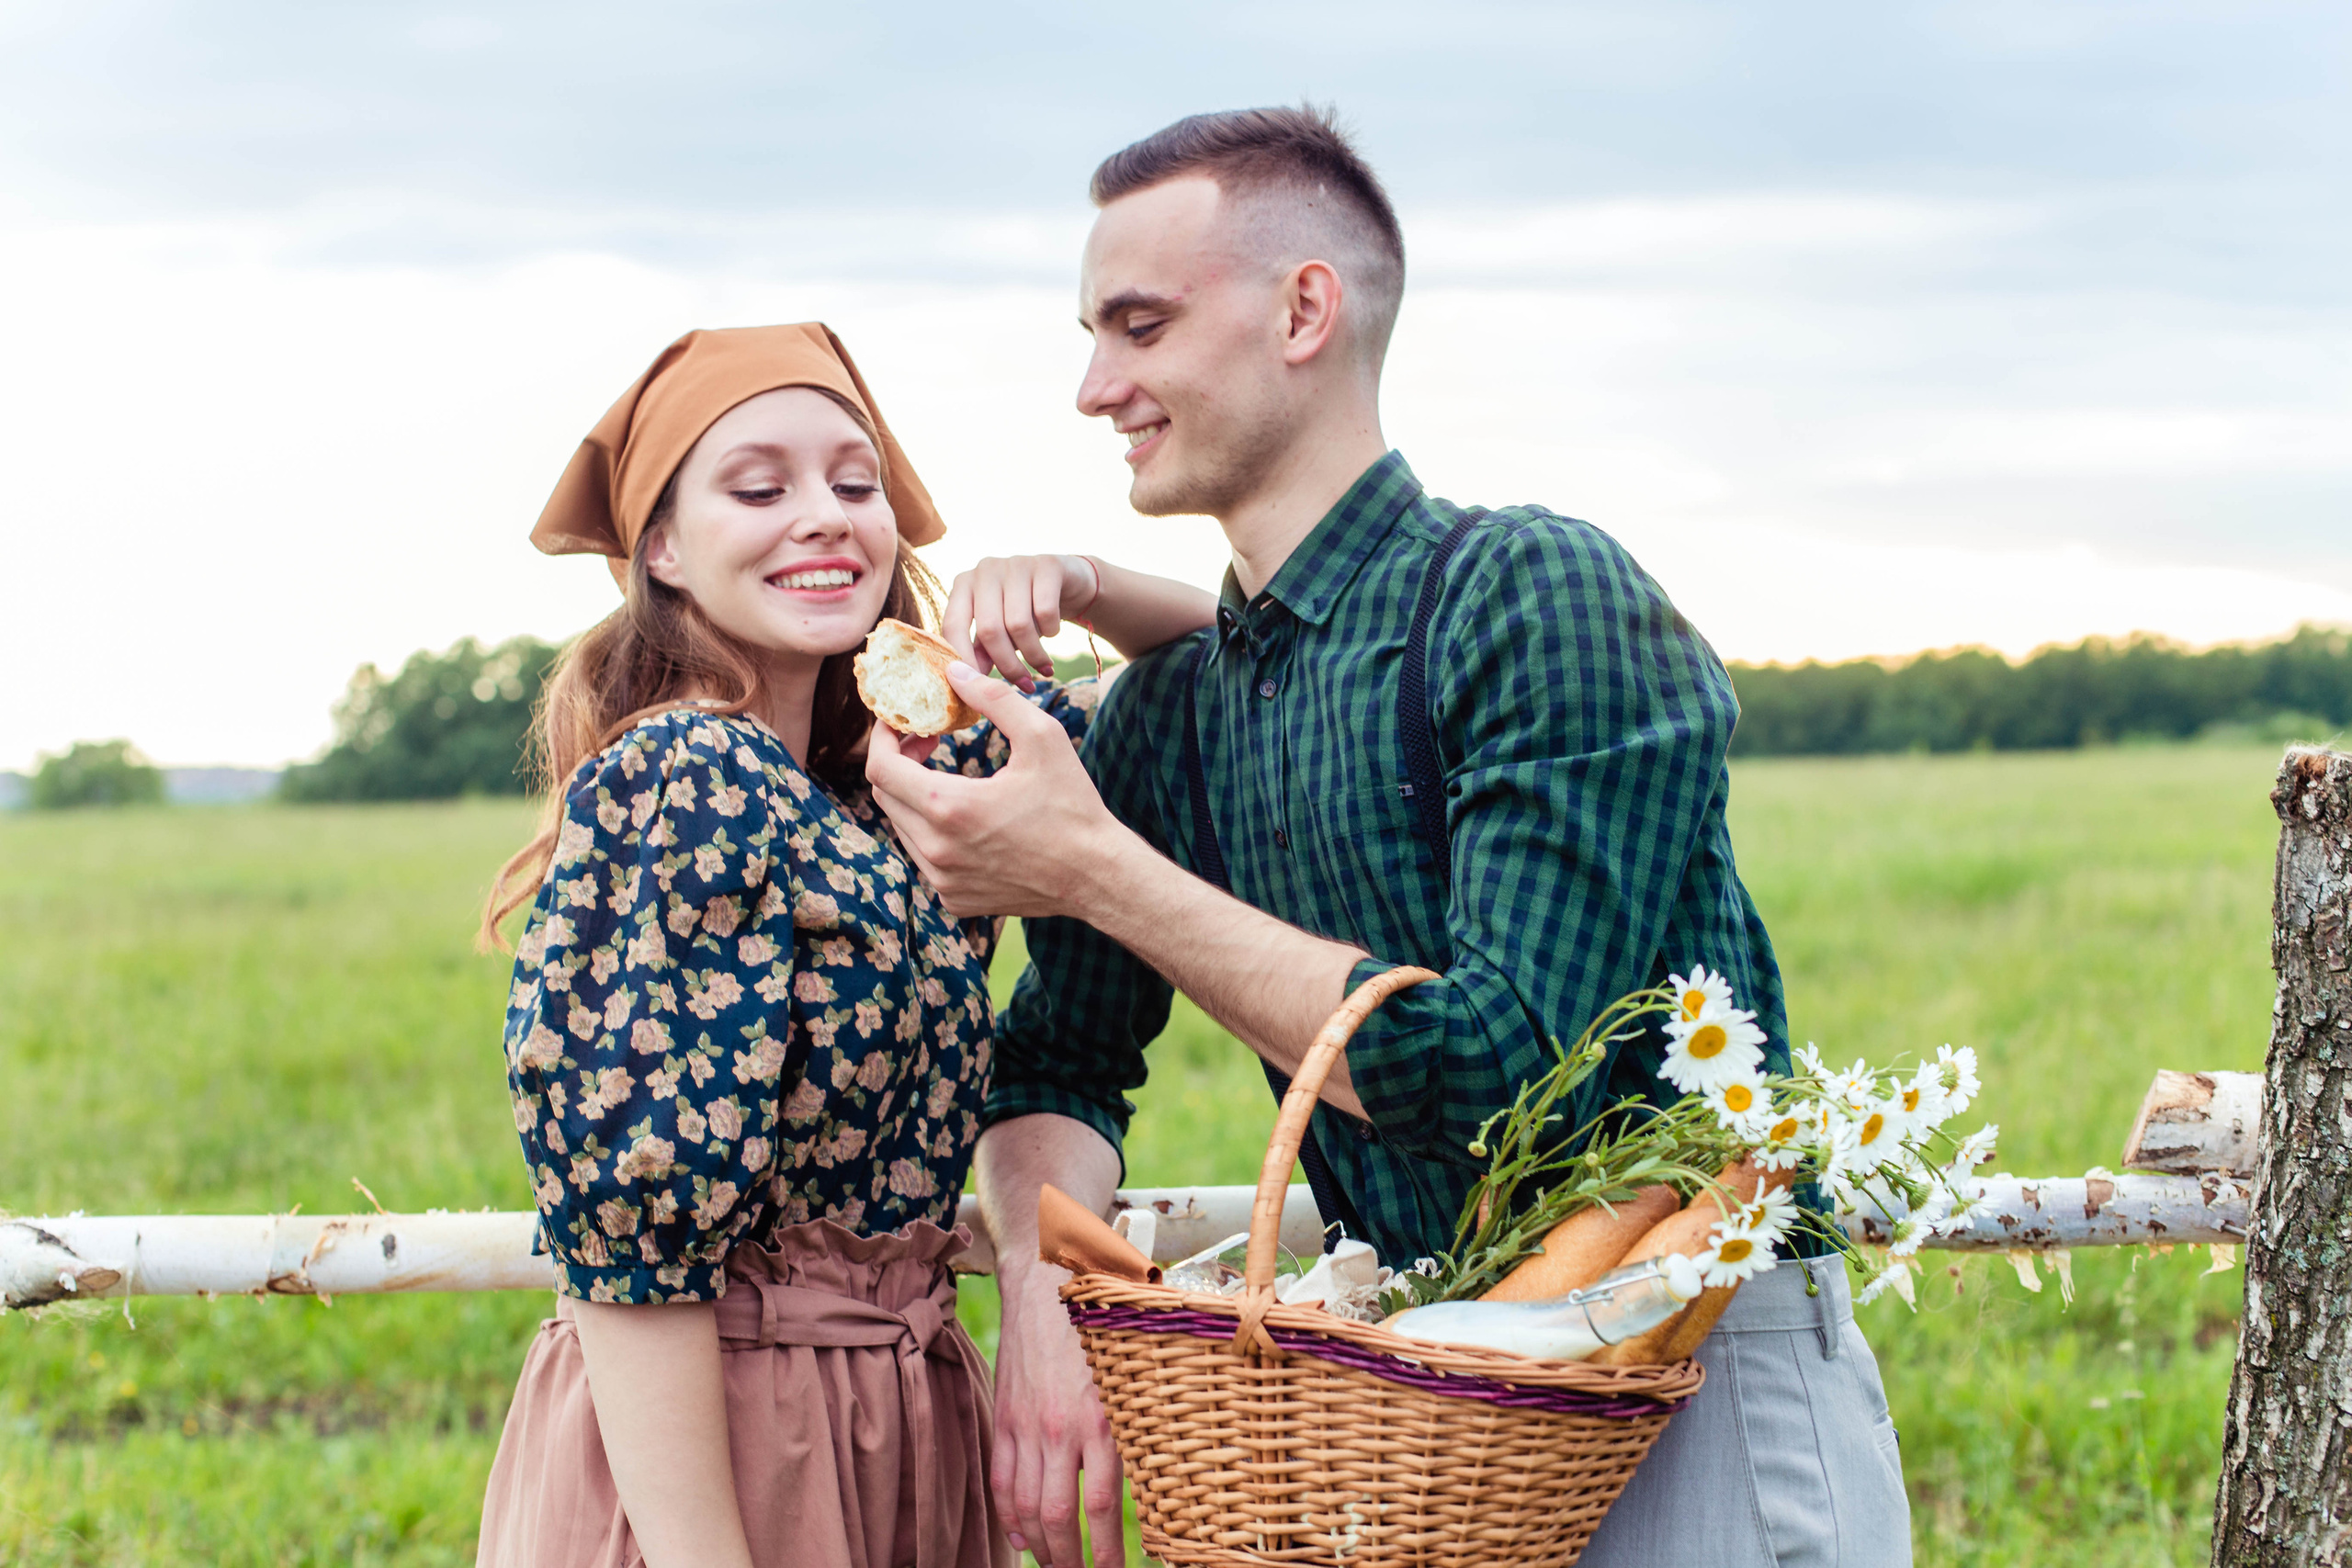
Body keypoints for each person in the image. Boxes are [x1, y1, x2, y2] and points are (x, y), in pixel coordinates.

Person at [865, 110, 1913, 1568]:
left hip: (1682, 1366)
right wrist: (1044, 1308)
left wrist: (1092, 863)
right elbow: (1059, 1061)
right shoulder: (1175, 712)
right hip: (1413, 1413)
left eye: (1141, 326)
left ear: (1305, 309)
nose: (1096, 386)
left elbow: (1492, 1064)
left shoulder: (1535, 593)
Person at [472, 321, 1216, 1568]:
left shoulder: (901, 786)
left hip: (903, 1414)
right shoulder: (685, 777)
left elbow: (1217, 672)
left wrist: (1082, 580)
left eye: (855, 484)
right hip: (734, 1439)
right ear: (661, 546)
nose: (823, 515)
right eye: (760, 488)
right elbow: (633, 1253)